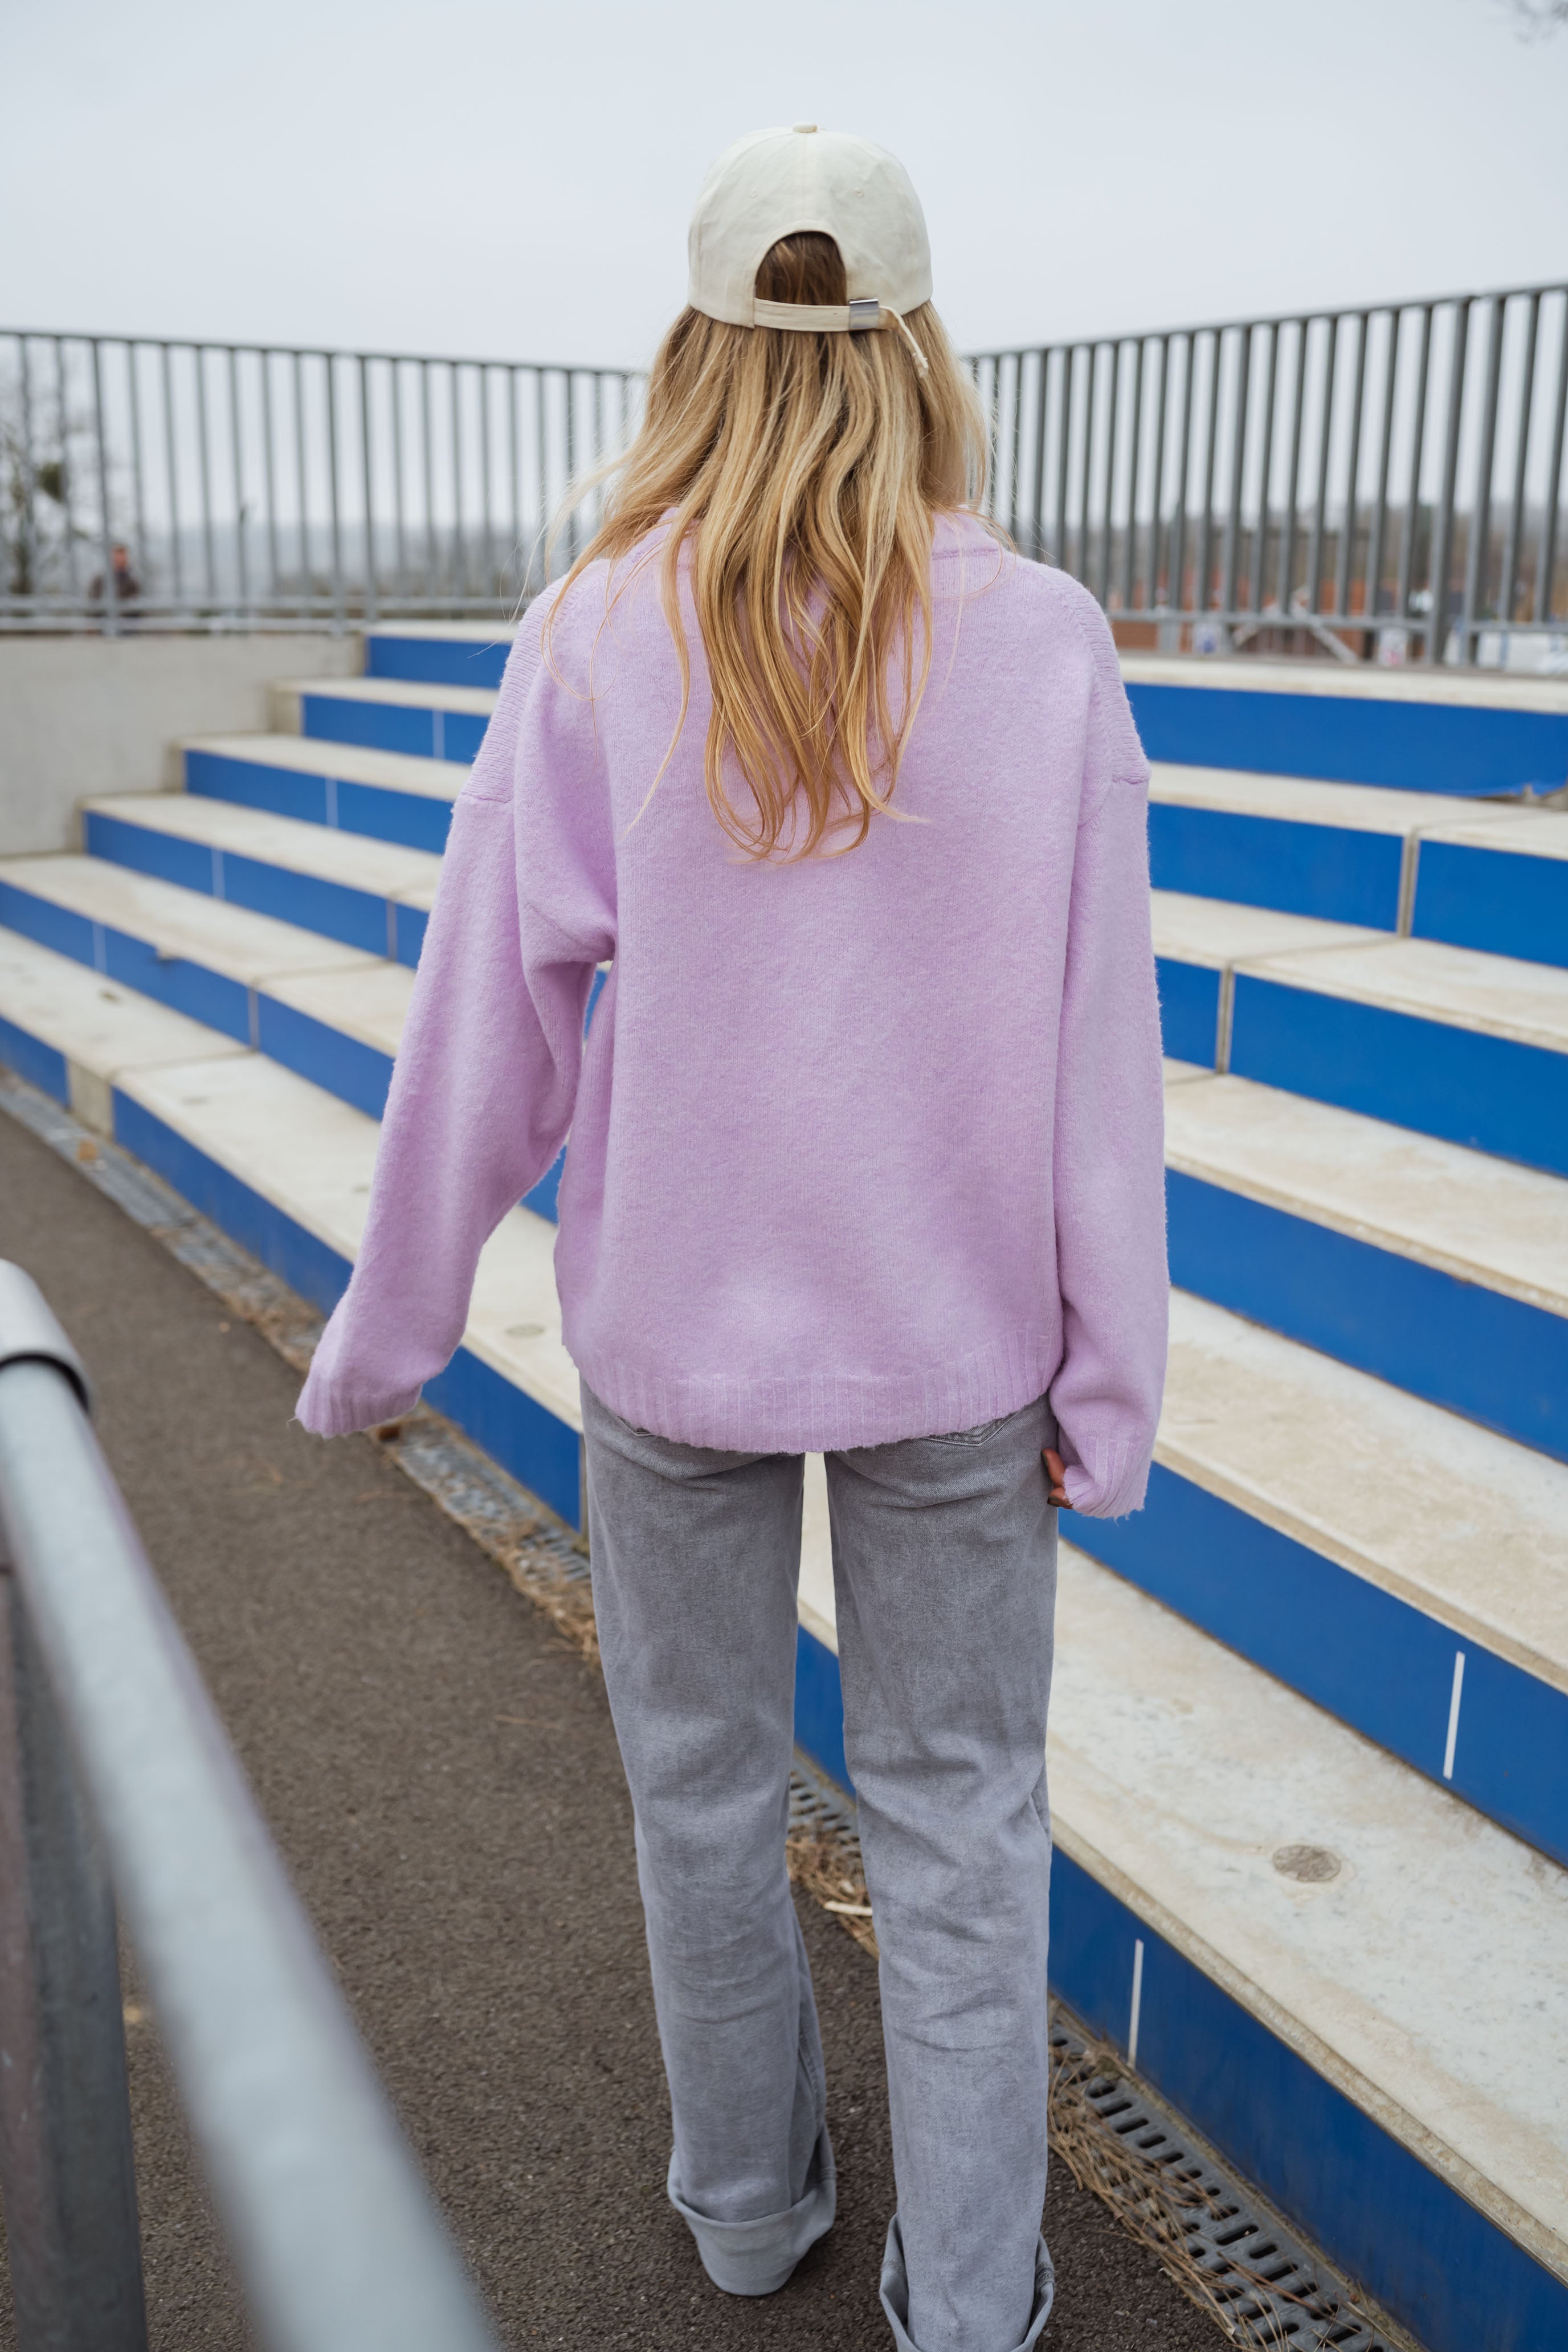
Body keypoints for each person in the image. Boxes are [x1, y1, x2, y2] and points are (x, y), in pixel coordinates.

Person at [297, 125, 1167, 2352]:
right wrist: (1106, 1376)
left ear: (696, 348)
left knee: (697, 1790)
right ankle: (969, 2298)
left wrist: (386, 1332)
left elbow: (491, 1015)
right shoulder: (1046, 642)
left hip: (671, 1339)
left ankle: (750, 2215)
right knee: (960, 1822)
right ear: (916, 344)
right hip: (961, 1350)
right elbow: (1097, 1056)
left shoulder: (596, 629)